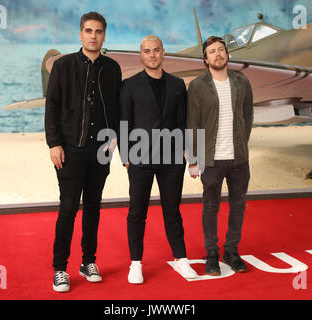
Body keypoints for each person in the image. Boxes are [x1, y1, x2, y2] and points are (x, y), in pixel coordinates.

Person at [45, 12, 122, 292]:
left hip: (100, 151)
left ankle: (88, 261)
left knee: (93, 208)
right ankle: (60, 268)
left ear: (104, 36)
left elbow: (116, 107)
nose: (93, 36)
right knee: (67, 209)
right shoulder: (63, 66)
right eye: (88, 31)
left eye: (98, 31)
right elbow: (52, 106)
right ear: (80, 34)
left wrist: (114, 139)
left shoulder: (112, 69)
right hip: (70, 150)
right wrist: (54, 144)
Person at [119, 35, 198, 284]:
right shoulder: (129, 85)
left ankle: (181, 259)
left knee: (172, 211)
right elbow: (124, 122)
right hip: (140, 157)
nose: (152, 55)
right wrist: (125, 156)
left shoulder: (177, 85)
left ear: (163, 53)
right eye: (146, 51)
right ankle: (135, 263)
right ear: (140, 55)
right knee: (137, 212)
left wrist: (192, 156)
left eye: (156, 50)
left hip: (173, 159)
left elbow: (184, 122)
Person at [186, 36, 253, 275]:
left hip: (239, 159)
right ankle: (212, 253)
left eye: (221, 50)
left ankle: (232, 251)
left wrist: (241, 145)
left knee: (238, 206)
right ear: (205, 59)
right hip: (210, 159)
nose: (218, 54)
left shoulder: (242, 81)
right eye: (212, 51)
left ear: (227, 54)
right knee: (210, 206)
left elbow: (248, 116)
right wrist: (193, 159)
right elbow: (192, 123)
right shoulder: (197, 86)